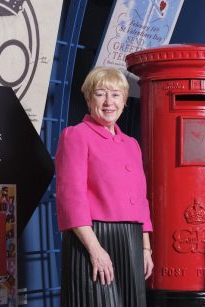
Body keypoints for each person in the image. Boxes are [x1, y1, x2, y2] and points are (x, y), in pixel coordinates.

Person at [55, 66, 153, 306]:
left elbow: (141, 200)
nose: (109, 101)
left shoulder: (131, 144)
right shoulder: (75, 135)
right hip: (93, 237)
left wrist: (145, 248)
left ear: (124, 100)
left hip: (130, 239)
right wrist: (95, 250)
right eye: (100, 93)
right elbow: (71, 198)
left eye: (116, 94)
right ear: (89, 98)